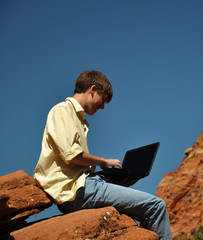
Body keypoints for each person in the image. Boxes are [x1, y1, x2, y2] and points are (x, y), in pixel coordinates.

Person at [33, 70, 172, 239]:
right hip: (74, 190)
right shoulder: (62, 110)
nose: (103, 106)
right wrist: (103, 162)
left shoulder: (79, 119)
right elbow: (71, 154)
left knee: (138, 210)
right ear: (93, 89)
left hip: (84, 185)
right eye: (103, 99)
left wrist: (122, 180)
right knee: (156, 206)